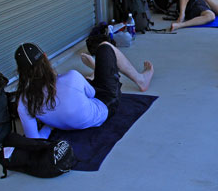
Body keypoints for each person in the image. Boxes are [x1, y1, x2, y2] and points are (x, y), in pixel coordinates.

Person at [14, 42, 143, 139]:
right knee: (105, 47)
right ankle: (141, 79)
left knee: (80, 85)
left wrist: (50, 125)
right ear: (45, 57)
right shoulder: (71, 77)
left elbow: (35, 139)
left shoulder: (24, 102)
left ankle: (95, 70)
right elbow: (92, 94)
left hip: (68, 121)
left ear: (20, 71)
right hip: (104, 106)